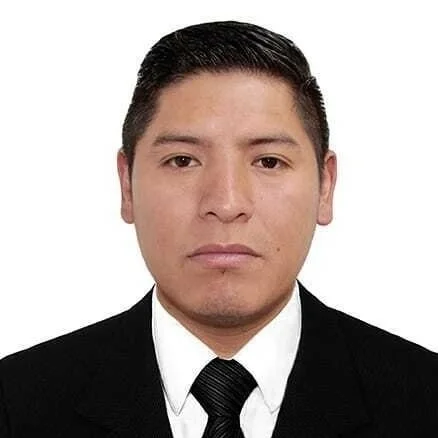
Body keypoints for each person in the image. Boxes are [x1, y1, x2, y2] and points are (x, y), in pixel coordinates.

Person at [0, 20, 437, 438]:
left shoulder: (423, 400)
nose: (226, 205)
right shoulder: (17, 404)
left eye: (269, 162)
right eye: (182, 161)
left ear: (325, 187)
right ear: (127, 185)